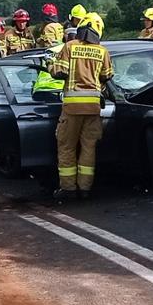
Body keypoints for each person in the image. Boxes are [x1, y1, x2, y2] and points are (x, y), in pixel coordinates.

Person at [46, 12, 113, 200]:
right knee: (89, 147)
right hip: (93, 108)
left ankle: (68, 189)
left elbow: (60, 72)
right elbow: (107, 76)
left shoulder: (69, 46)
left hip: (72, 108)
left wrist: (50, 64)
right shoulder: (103, 51)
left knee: (67, 147)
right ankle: (85, 188)